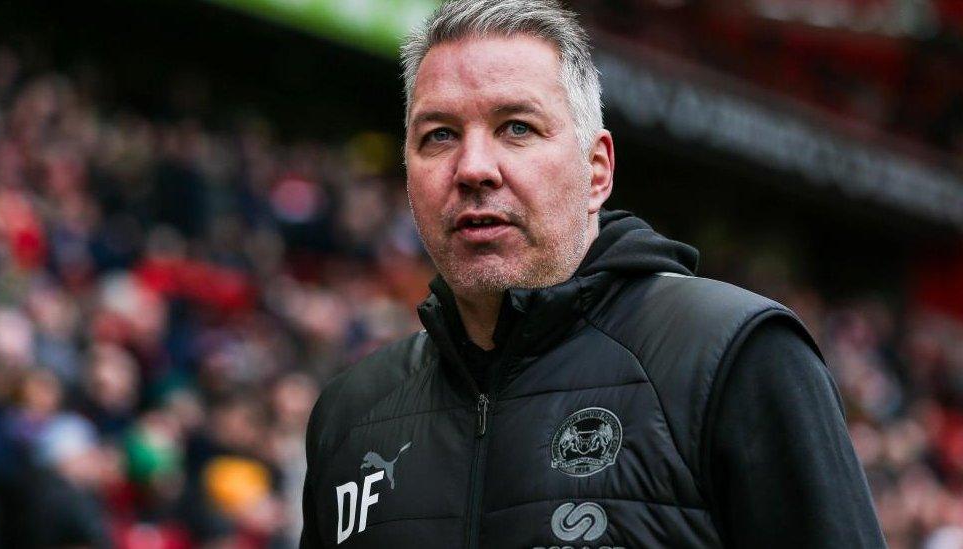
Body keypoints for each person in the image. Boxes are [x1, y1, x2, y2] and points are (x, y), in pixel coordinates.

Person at [300, 0, 886, 547]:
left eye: (517, 128)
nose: (473, 167)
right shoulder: (350, 416)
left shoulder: (736, 358)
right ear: (408, 174)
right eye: (440, 136)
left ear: (597, 171)